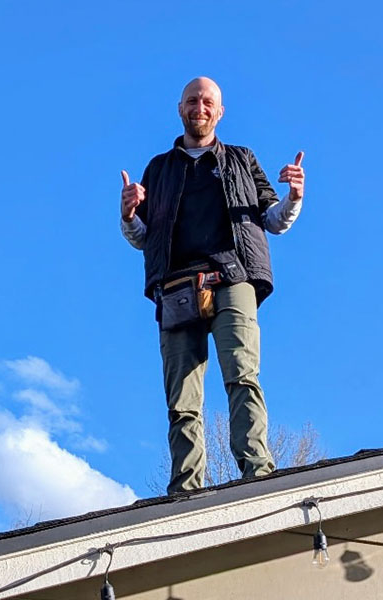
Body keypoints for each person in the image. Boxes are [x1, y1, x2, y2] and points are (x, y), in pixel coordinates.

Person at [119, 76, 305, 494]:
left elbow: (273, 221)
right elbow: (143, 238)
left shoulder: (241, 159)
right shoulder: (159, 169)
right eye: (192, 101)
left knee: (243, 376)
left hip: (233, 276)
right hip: (176, 285)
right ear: (180, 108)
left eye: (207, 102)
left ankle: (258, 472)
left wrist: (294, 196)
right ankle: (185, 490)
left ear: (219, 112)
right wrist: (129, 214)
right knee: (182, 398)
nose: (199, 107)